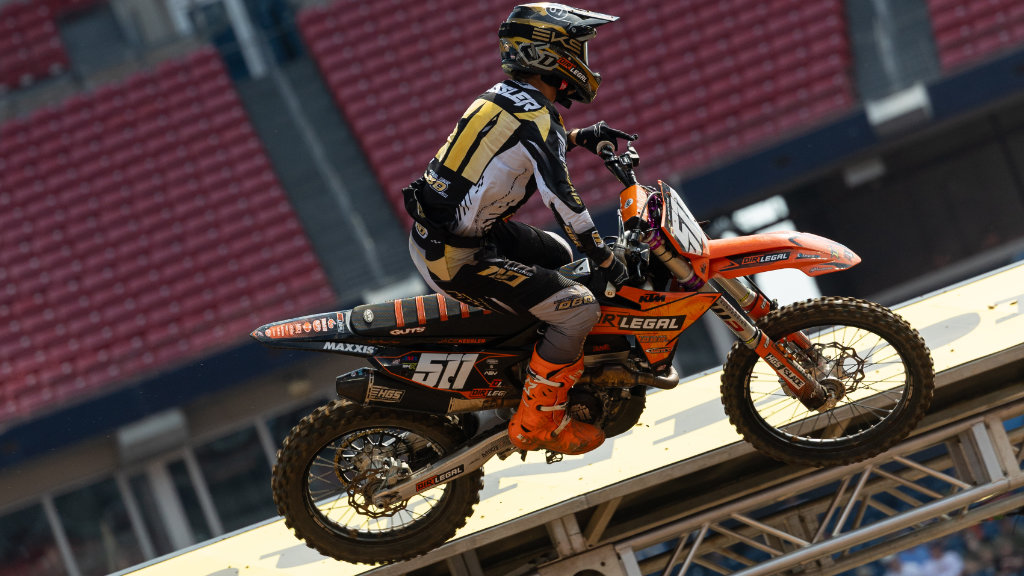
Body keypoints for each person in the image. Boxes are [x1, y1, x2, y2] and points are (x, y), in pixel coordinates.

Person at [403, 3, 633, 455]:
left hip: (456, 235)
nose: (585, 60)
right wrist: (604, 254)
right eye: (578, 49)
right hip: (456, 257)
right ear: (552, 55)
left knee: (561, 258)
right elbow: (561, 199)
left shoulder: (501, 96)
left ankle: (531, 370)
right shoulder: (538, 120)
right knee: (580, 307)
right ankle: (538, 421)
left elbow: (508, 150)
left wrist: (579, 137)